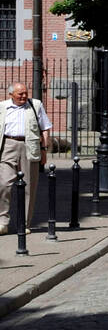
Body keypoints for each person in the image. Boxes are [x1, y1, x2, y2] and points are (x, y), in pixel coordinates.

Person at [0, 82, 52, 234]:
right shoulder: (2, 107)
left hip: (29, 145)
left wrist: (44, 150)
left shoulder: (35, 105)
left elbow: (45, 127)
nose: (23, 96)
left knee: (29, 187)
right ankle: (2, 222)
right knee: (3, 184)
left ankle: (24, 223)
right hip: (7, 145)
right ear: (11, 95)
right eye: (20, 94)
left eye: (25, 93)